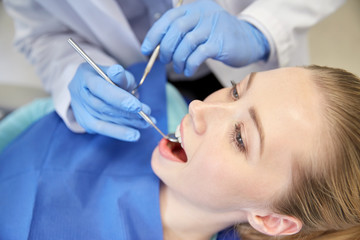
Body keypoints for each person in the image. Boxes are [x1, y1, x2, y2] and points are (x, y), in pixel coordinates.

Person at [0, 63, 360, 240]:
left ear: (272, 220)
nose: (200, 108)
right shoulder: (142, 99)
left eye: (240, 138)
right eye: (236, 91)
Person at [3, 0, 346, 142]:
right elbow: (41, 32)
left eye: (240, 139)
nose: (196, 106)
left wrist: (260, 30)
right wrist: (71, 74)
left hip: (243, 51)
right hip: (127, 75)